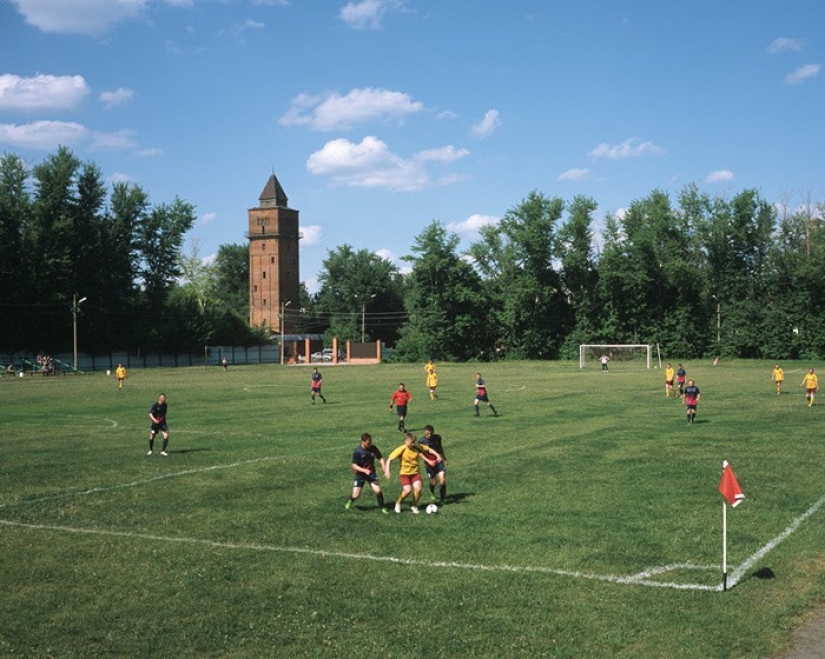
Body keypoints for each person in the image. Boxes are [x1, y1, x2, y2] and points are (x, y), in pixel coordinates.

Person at [384, 432, 441, 514]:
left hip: (415, 473)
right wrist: (387, 470)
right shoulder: (401, 449)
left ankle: (413, 505)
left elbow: (429, 449)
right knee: (407, 491)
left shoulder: (417, 447)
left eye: (414, 442)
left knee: (418, 489)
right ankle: (398, 503)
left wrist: (437, 455)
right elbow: (389, 459)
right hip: (404, 474)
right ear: (406, 441)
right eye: (411, 443)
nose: (413, 444)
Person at [345, 433, 388, 514]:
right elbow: (354, 465)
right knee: (356, 495)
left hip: (371, 473)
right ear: (363, 442)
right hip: (360, 474)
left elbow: (380, 458)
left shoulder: (373, 448)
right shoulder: (358, 451)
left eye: (370, 442)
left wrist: (384, 467)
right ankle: (351, 501)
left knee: (378, 490)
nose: (369, 444)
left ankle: (382, 507)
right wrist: (364, 470)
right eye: (368, 443)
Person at [420, 424, 447, 503]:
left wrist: (443, 457)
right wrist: (428, 461)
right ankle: (432, 492)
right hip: (429, 464)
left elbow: (440, 447)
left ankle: (442, 499)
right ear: (424, 432)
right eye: (427, 433)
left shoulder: (437, 438)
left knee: (442, 480)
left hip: (439, 461)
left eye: (431, 433)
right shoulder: (422, 441)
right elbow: (420, 453)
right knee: (433, 482)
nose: (429, 435)